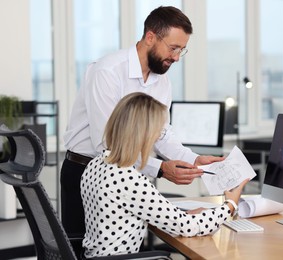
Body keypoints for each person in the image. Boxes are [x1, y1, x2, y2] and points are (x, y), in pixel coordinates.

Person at [61, 6, 224, 238]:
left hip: (126, 175)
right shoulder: (107, 71)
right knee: (80, 250)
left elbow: (162, 133)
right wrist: (160, 169)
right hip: (86, 171)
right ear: (150, 37)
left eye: (182, 50)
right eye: (173, 48)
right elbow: (108, 145)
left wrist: (193, 159)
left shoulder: (162, 82)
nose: (177, 58)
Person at [80, 92, 248, 258]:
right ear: (144, 134)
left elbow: (154, 211)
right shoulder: (128, 178)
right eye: (158, 132)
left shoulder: (96, 164)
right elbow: (187, 227)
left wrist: (183, 215)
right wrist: (230, 204)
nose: (157, 138)